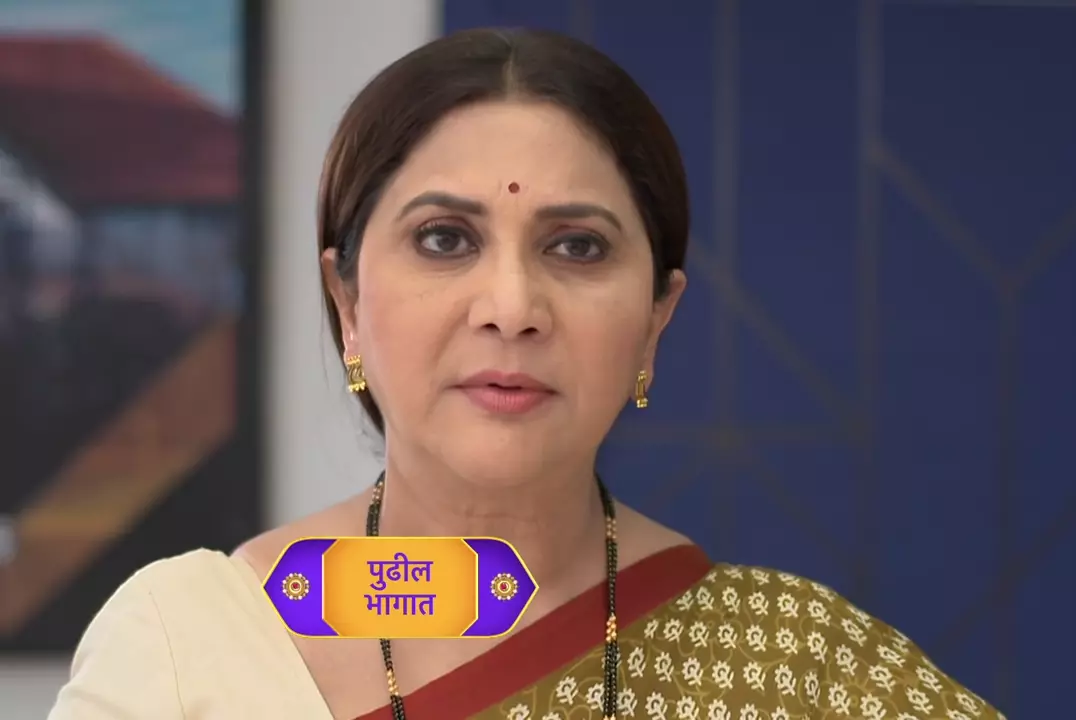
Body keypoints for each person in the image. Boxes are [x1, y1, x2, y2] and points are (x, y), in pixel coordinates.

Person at [48, 28, 1004, 720]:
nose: (511, 306)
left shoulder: (795, 671)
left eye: (577, 246)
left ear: (656, 318)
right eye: (444, 239)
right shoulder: (185, 652)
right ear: (347, 302)